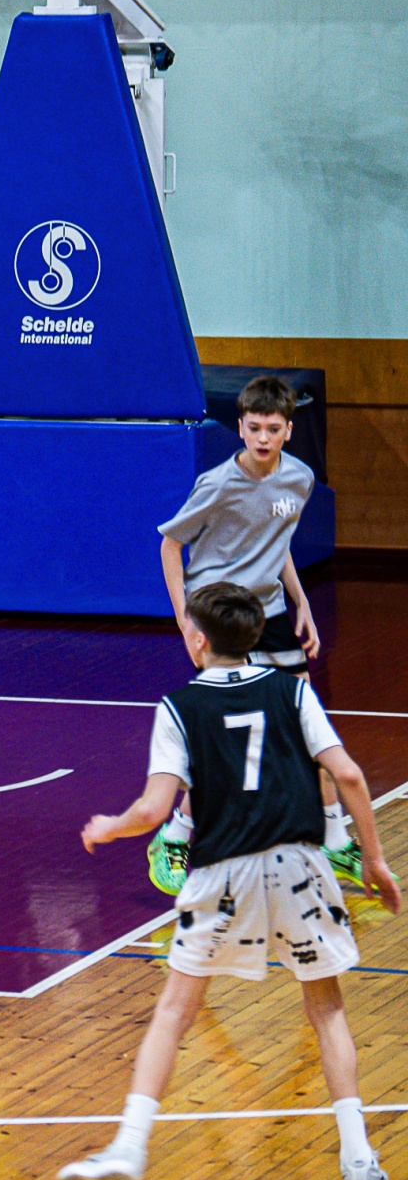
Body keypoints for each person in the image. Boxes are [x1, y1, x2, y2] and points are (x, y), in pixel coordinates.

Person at [57, 582, 400, 1180]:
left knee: (174, 1011)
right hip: (299, 864)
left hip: (222, 872)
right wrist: (374, 860)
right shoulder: (294, 690)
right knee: (326, 1009)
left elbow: (153, 810)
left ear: (196, 638)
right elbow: (348, 774)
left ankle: (129, 1147)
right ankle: (357, 1160)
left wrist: (109, 826)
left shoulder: (179, 707)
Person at [147, 374, 353, 896]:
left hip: (271, 611)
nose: (263, 437)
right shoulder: (217, 484)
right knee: (227, 737)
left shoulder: (300, 479)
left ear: (289, 430)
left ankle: (335, 837)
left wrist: (302, 602)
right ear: (240, 428)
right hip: (219, 616)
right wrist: (185, 619)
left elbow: (275, 542)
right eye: (254, 427)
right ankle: (174, 836)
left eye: (273, 428)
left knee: (306, 725)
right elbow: (171, 546)